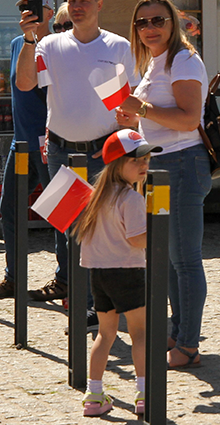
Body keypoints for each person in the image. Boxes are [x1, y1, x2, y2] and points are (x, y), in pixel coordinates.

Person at [16, 0, 136, 324]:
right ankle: (87, 303)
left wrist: (131, 148)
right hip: (60, 152)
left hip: (103, 151)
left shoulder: (117, 47)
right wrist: (28, 38)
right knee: (71, 229)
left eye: (85, 0)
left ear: (99, 5)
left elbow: (129, 103)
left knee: (104, 228)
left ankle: (102, 303)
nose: (79, 6)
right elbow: (24, 83)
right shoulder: (50, 45)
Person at [115, 0, 211, 369]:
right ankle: (176, 330)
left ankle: (188, 344)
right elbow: (158, 118)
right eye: (142, 22)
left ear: (173, 22)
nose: (150, 28)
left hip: (184, 164)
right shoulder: (155, 63)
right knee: (168, 259)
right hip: (159, 166)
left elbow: (188, 119)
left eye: (158, 20)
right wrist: (135, 120)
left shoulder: (184, 59)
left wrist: (142, 108)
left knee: (185, 260)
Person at [70, 129, 160, 417]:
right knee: (141, 333)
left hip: (99, 273)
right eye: (136, 160)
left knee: (105, 334)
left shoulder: (93, 196)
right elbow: (136, 239)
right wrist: (158, 233)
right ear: (117, 163)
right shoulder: (131, 198)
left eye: (146, 159)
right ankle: (145, 394)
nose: (144, 165)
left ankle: (94, 395)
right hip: (128, 271)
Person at [0, 0, 57, 299]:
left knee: (61, 212)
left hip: (51, 142)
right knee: (8, 209)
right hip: (21, 141)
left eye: (33, 7)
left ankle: (66, 278)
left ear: (49, 13)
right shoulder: (17, 44)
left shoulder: (58, 46)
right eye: (23, 7)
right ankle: (14, 277)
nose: (26, 12)